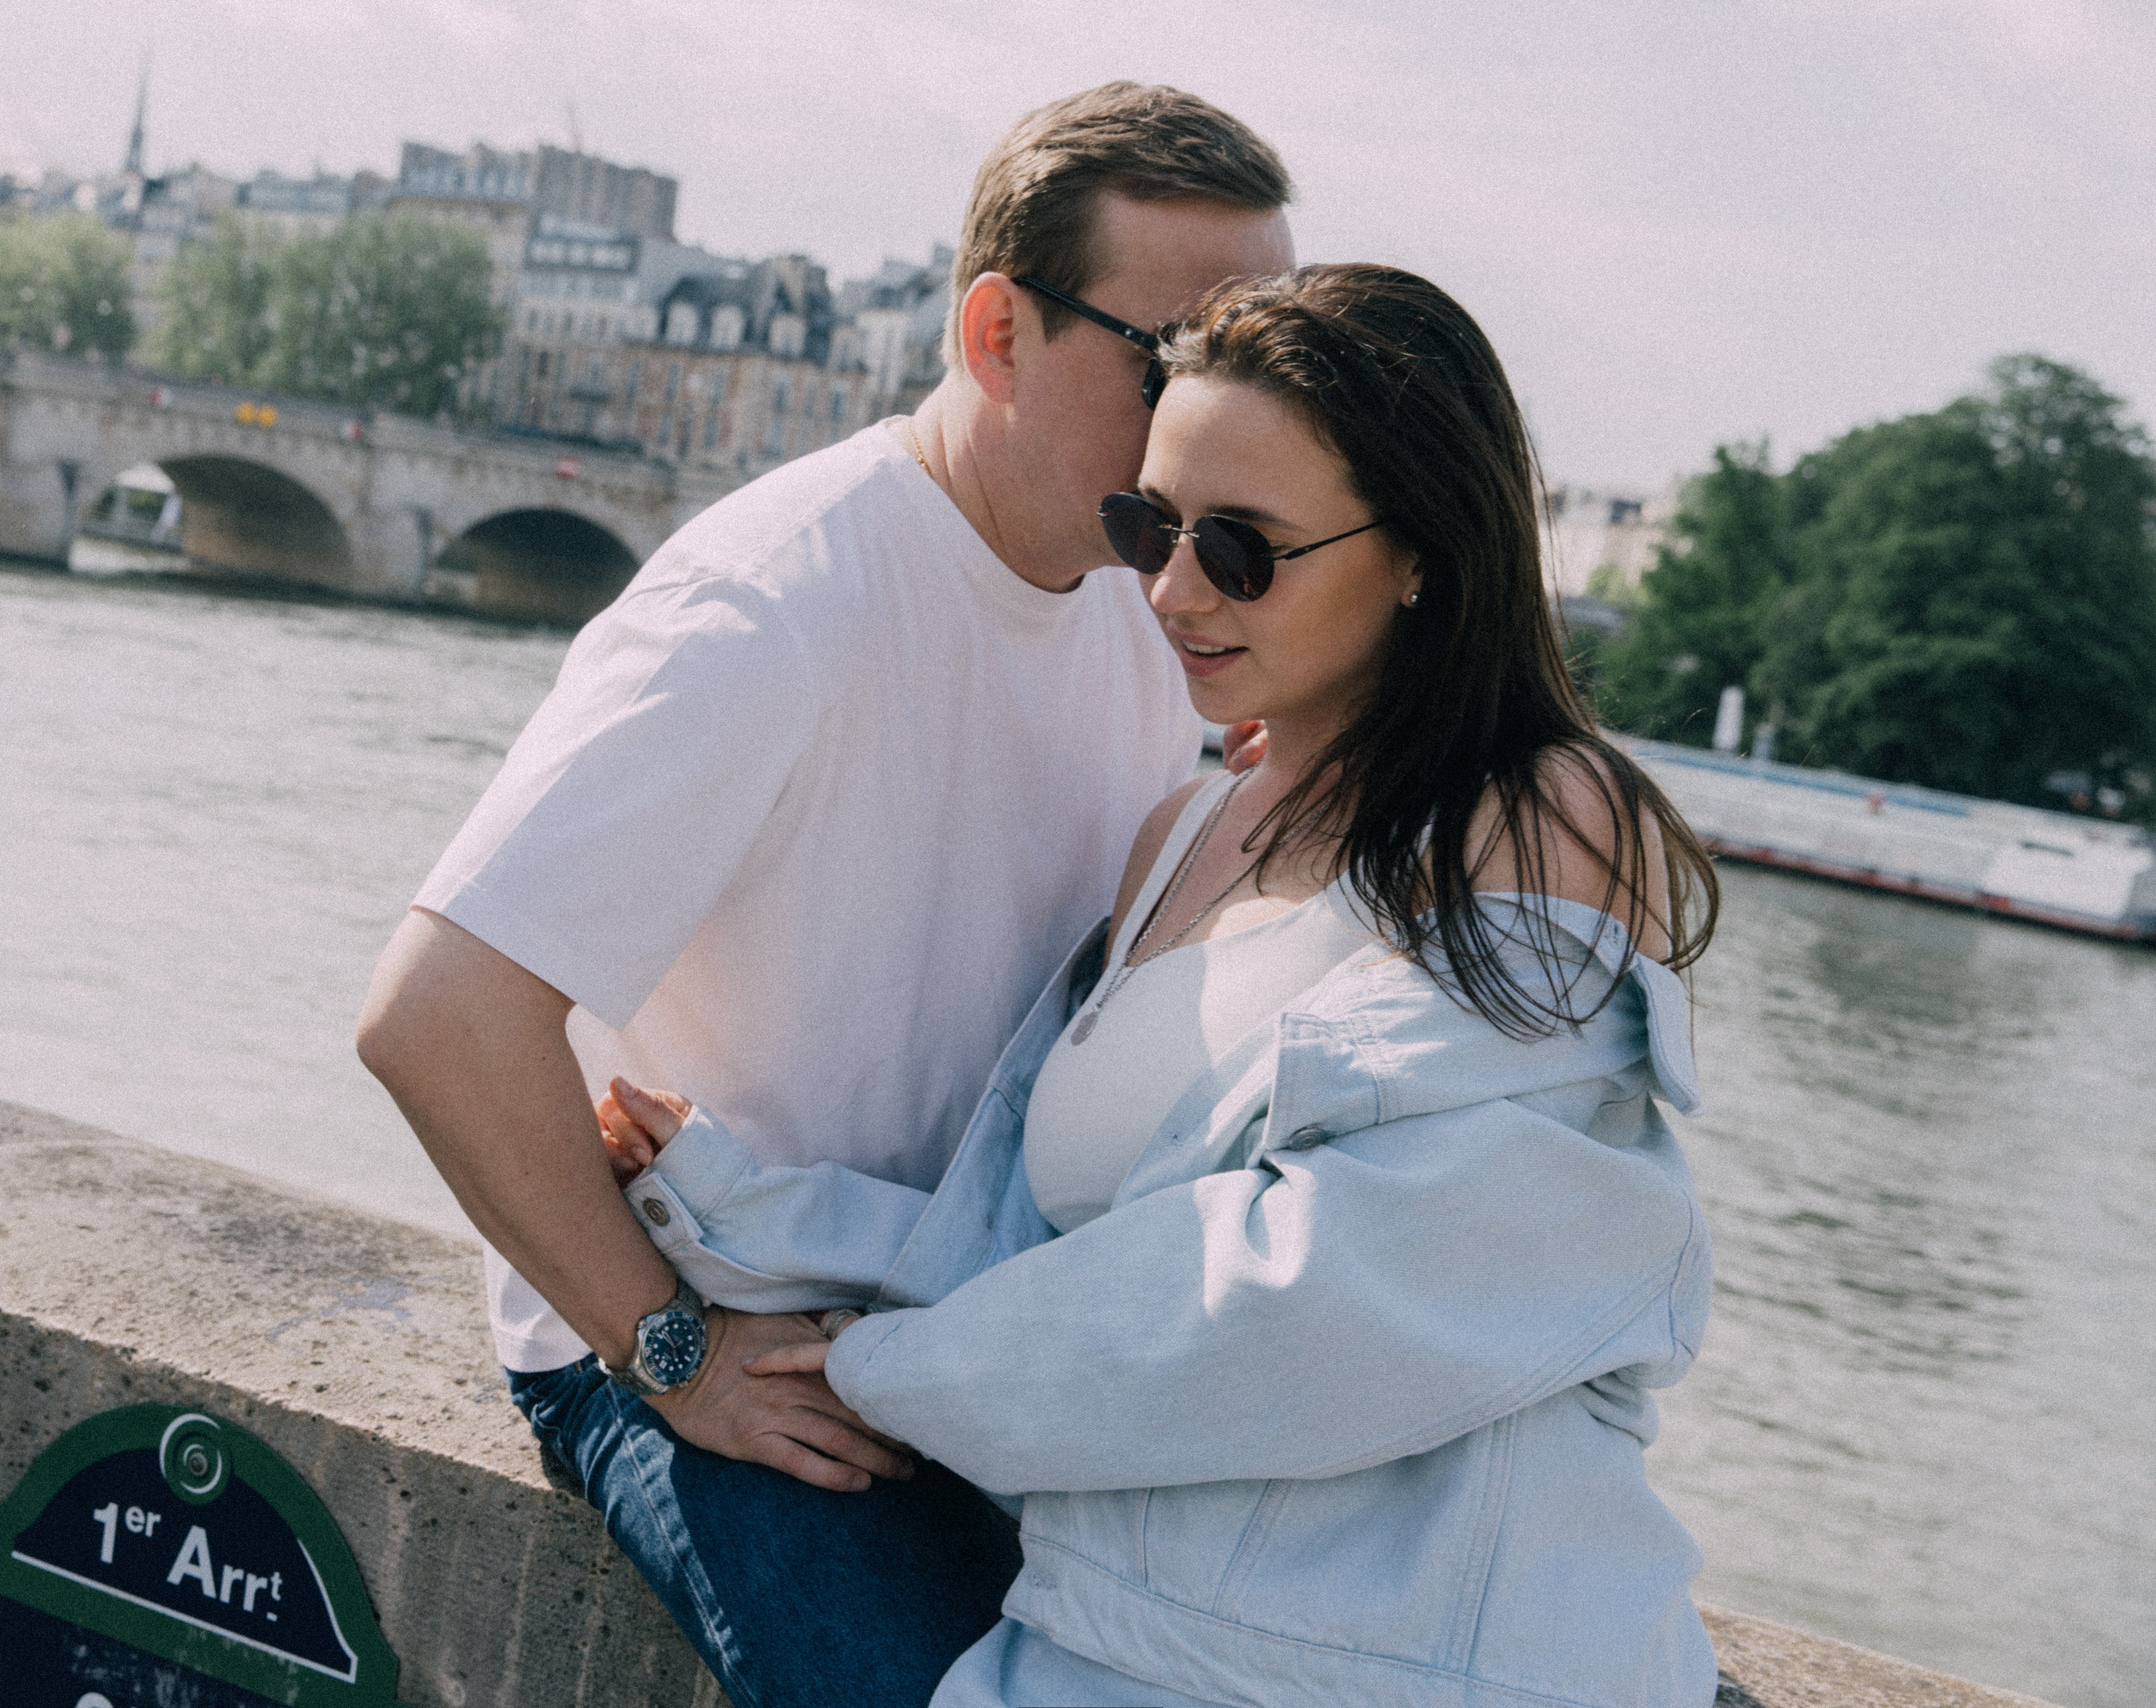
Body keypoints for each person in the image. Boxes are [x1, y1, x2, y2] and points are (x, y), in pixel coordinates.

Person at [594, 264, 1729, 1708]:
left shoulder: (1542, 817)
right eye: (1152, 527)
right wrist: (732, 1211)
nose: (1176, 592)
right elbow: (1056, 1255)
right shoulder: (1178, 839)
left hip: (1434, 1666)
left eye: (1244, 550)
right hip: (1107, 1638)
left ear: (1423, 551)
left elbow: (1335, 1296)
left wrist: (875, 1373)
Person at [355, 84, 1295, 1708]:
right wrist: (667, 1355)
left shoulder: (1148, 611)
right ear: (999, 331)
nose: (1223, 411)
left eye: (1255, 357)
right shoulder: (770, 605)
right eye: (1176, 357)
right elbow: (434, 1016)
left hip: (955, 1321)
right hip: (738, 1329)